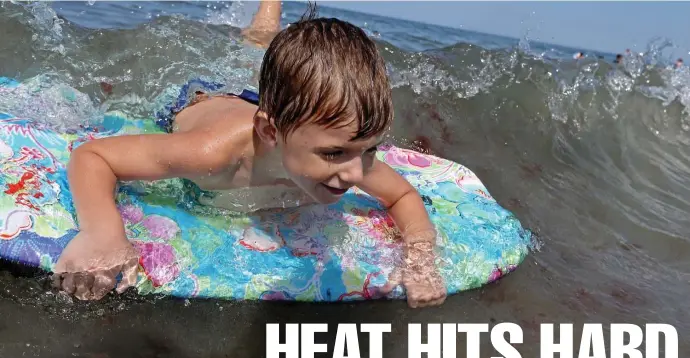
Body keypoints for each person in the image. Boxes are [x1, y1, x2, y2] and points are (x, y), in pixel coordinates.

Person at [52, 1, 447, 308]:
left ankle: (267, 13)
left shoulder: (346, 159)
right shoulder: (211, 154)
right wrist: (102, 231)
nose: (355, 174)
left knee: (258, 53)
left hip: (275, 113)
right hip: (204, 100)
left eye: (367, 150)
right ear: (270, 132)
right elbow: (93, 158)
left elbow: (403, 196)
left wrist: (420, 257)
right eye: (335, 153)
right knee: (249, 53)